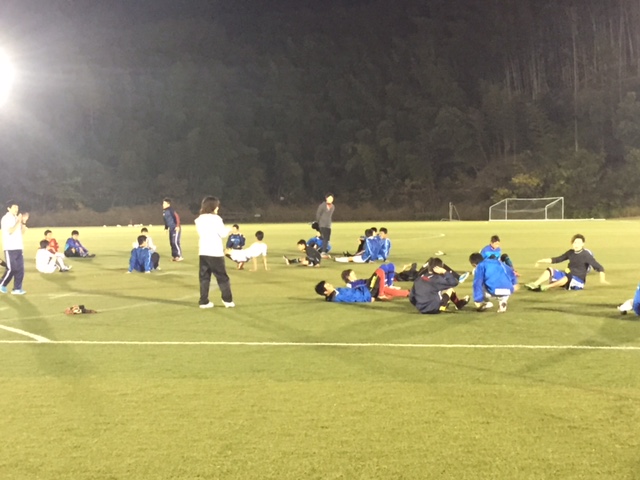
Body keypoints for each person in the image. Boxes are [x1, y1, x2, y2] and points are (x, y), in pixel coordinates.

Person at [525, 234, 607, 291]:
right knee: (550, 270)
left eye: (578, 243)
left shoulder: (586, 255)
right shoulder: (570, 252)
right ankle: (535, 284)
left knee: (567, 277)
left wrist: (602, 280)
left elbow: (600, 267)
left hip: (578, 281)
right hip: (568, 275)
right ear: (572, 243)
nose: (576, 245)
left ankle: (546, 287)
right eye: (575, 242)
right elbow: (557, 259)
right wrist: (541, 261)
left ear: (583, 244)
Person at [195, 195, 234, 309]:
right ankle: (227, 300)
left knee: (204, 277)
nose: (218, 208)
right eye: (217, 206)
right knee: (222, 277)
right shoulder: (216, 219)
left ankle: (203, 301)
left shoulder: (199, 219)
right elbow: (222, 233)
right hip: (215, 252)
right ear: (213, 207)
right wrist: (229, 229)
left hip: (203, 251)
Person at [0, 201, 28, 294]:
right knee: (12, 268)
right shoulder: (6, 218)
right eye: (14, 207)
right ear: (8, 208)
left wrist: (23, 222)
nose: (16, 209)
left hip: (18, 247)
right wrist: (18, 221)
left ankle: (17, 289)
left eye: (17, 207)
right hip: (10, 248)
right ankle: (2, 284)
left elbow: (22, 232)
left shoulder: (16, 218)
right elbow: (11, 231)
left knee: (20, 269)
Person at [341, 264, 409, 298]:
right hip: (370, 287)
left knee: (391, 266)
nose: (355, 275)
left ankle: (391, 285)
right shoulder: (350, 284)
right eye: (353, 274)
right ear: (348, 277)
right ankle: (382, 293)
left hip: (371, 285)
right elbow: (360, 288)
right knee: (382, 269)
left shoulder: (357, 281)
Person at [162, 197, 183, 261]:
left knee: (175, 242)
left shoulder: (171, 210)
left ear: (168, 204)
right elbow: (166, 220)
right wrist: (166, 228)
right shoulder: (164, 211)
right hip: (171, 229)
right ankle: (175, 256)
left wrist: (177, 226)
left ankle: (179, 256)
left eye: (164, 203)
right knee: (171, 243)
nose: (163, 205)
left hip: (175, 228)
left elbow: (177, 217)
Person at [315, 193, 335, 257]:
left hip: (328, 225)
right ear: (326, 198)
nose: (331, 199)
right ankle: (323, 251)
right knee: (325, 238)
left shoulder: (333, 206)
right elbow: (318, 214)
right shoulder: (322, 205)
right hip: (322, 224)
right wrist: (318, 222)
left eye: (332, 198)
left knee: (327, 239)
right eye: (329, 198)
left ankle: (319, 249)